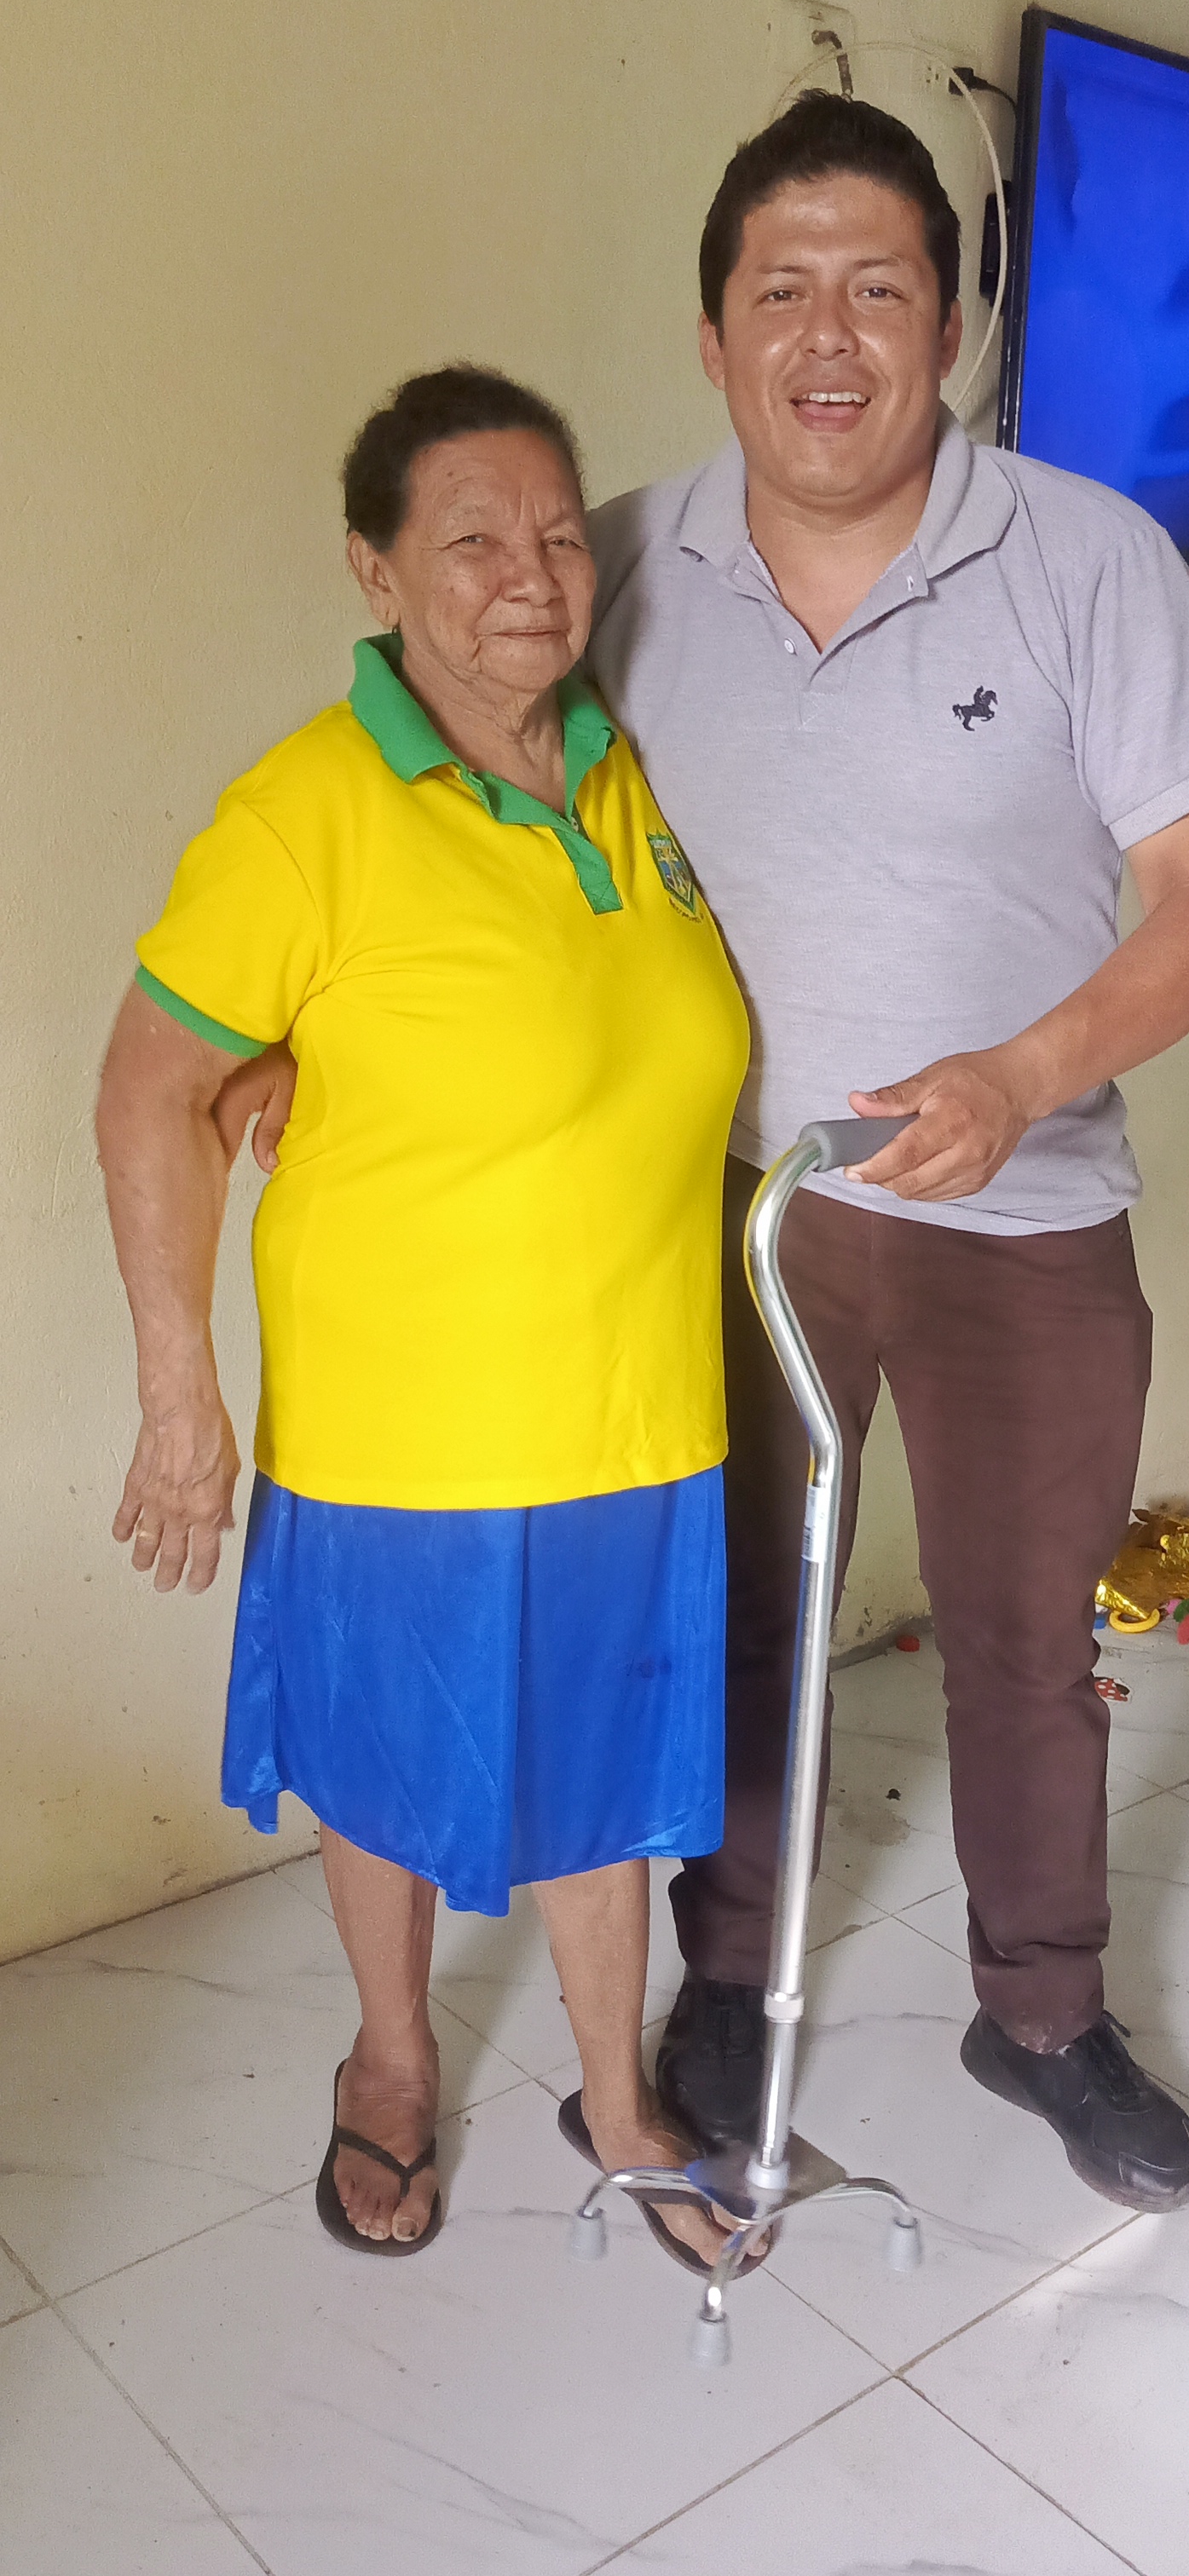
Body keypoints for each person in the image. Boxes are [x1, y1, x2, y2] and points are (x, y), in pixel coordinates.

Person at [586, 93, 1189, 2211]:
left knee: (1021, 1641)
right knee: (741, 1612)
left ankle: (1043, 2010)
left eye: (878, 289)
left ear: (949, 332)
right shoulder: (619, 562)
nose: (829, 335)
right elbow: (461, 829)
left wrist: (1023, 1072)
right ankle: (727, 1973)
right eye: (781, 289)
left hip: (1025, 1222)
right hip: (737, 1212)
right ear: (713, 334)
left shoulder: (1088, 556)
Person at [95, 367, 753, 2268]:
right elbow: (147, 1088)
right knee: (387, 1768)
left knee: (604, 1775)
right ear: (376, 575)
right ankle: (390, 2060)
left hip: (638, 1412)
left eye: (555, 533)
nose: (529, 574)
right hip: (406, 1431)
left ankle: (617, 2101)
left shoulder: (624, 775)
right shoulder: (307, 810)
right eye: (471, 541)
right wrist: (180, 1400)